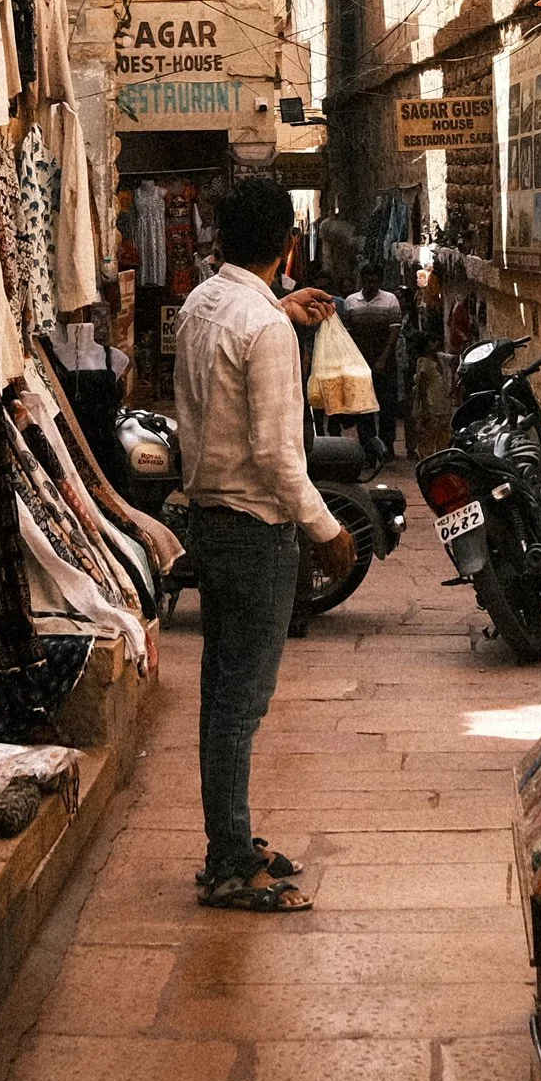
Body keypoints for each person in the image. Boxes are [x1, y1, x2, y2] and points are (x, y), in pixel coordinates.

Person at [171, 173, 358, 911]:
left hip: (210, 524)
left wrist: (278, 310)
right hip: (257, 531)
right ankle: (226, 860)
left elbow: (231, 341)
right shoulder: (266, 328)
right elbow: (281, 459)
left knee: (223, 696)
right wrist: (329, 529)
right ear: (288, 244)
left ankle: (231, 836)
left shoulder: (200, 306)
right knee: (240, 705)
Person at [337, 261, 407, 462]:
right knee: (363, 409)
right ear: (362, 280)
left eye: (375, 281)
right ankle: (369, 447)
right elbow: (348, 334)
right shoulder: (351, 302)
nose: (371, 284)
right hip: (360, 364)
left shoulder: (390, 301)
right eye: (367, 280)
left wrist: (383, 360)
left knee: (387, 407)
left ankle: (387, 446)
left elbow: (394, 333)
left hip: (385, 363)